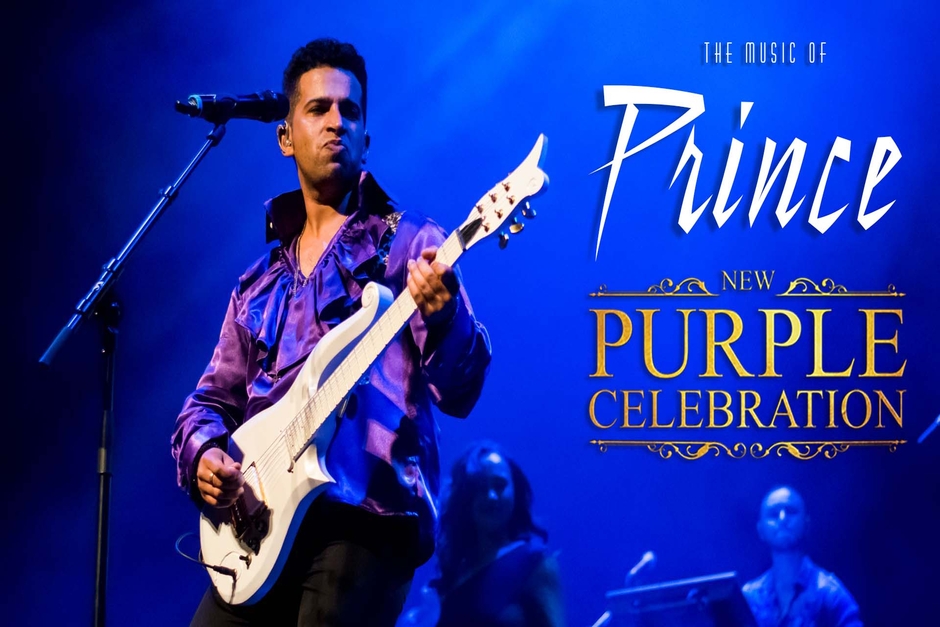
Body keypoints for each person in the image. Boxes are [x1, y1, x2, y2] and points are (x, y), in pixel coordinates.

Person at [171, 38, 492, 626]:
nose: (336, 121)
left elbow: (461, 392)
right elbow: (210, 400)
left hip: (364, 518)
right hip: (257, 526)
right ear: (285, 136)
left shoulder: (413, 244)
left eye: (350, 111)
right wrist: (205, 456)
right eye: (318, 108)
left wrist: (444, 316)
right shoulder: (258, 283)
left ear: (367, 136)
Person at [429, 441, 566, 627]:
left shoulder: (535, 564)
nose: (491, 496)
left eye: (500, 485)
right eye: (480, 488)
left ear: (515, 490)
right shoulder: (451, 578)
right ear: (464, 497)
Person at [742, 486, 863, 627]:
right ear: (761, 530)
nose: (782, 519)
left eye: (791, 511)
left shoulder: (829, 592)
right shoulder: (749, 597)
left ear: (806, 524)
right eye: (773, 514)